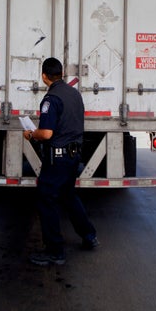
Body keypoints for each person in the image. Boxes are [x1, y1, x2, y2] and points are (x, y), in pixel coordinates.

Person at [23, 57, 99, 266]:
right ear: (62, 74)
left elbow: (46, 134)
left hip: (57, 157)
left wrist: (31, 135)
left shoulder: (51, 99)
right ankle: (89, 235)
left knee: (46, 199)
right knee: (68, 195)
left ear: (44, 76)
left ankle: (55, 251)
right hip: (73, 155)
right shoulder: (74, 94)